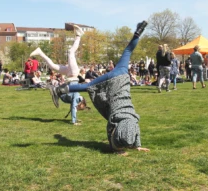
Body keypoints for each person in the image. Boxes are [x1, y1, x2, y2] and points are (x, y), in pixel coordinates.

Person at [49, 21, 150, 156]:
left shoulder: (133, 119)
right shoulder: (115, 119)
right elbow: (111, 129)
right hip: (115, 82)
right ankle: (59, 90)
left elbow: (135, 134)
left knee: (127, 52)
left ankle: (138, 32)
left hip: (121, 74)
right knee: (89, 86)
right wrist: (116, 149)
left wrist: (138, 147)